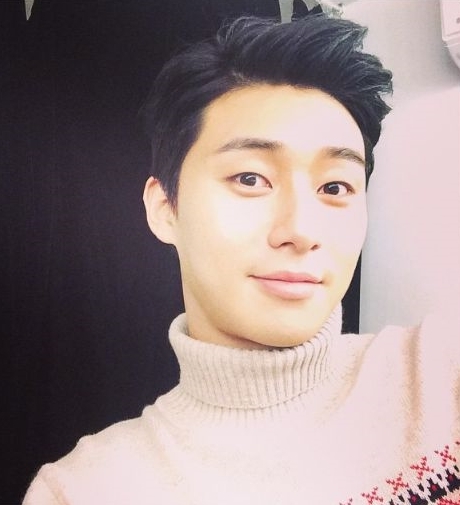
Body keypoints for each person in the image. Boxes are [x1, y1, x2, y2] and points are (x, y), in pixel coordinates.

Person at [23, 14, 460, 505]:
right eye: (250, 179)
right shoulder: (85, 490)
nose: (301, 231)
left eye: (335, 187)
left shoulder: (441, 377)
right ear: (165, 208)